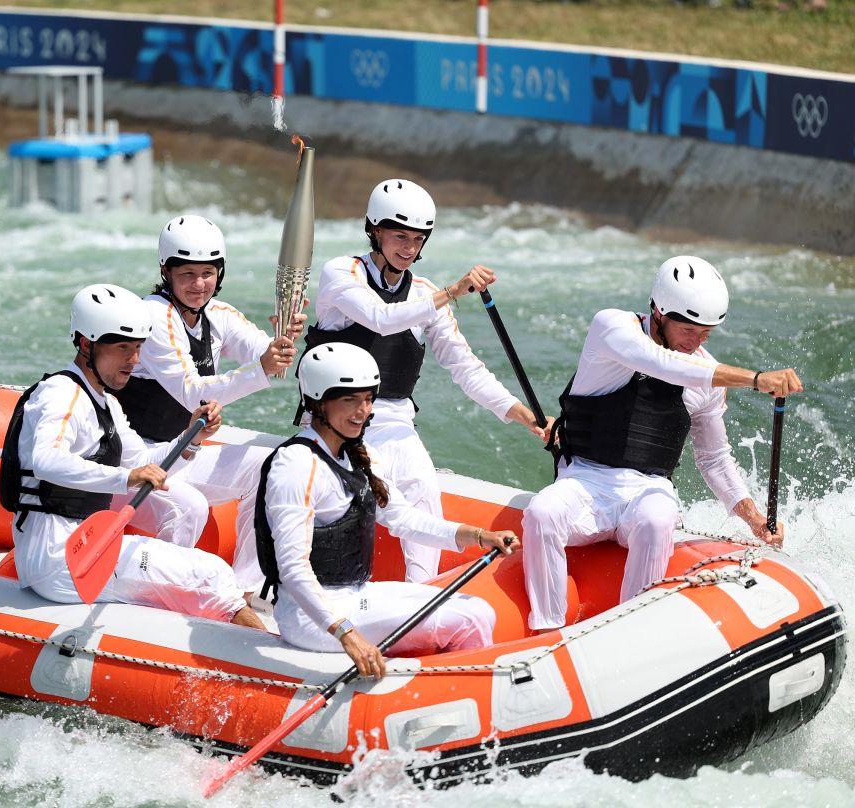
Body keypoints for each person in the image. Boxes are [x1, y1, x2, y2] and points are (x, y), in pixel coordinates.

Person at [523, 256, 805, 632]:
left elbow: (715, 459)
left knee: (657, 519)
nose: (697, 342)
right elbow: (663, 363)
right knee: (542, 512)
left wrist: (755, 519)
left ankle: (632, 632)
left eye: (706, 333)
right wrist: (755, 378)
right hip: (584, 481)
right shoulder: (611, 328)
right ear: (657, 311)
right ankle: (546, 629)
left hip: (649, 488)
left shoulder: (706, 373)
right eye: (689, 330)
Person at [304, 178, 546, 584]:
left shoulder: (424, 292)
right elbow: (380, 317)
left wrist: (528, 418)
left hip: (397, 425)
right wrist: (452, 291)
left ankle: (420, 597)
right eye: (399, 236)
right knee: (390, 502)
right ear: (375, 230)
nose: (409, 249)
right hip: (336, 426)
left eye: (418, 240)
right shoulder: (342, 274)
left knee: (424, 492)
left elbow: (466, 369)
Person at [0, 282, 264, 628]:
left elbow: (145, 462)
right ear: (85, 344)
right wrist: (123, 478)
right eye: (124, 348)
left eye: (138, 348)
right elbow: (46, 461)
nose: (134, 360)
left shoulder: (106, 402)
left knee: (203, 561)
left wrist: (191, 438)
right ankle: (275, 665)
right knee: (210, 573)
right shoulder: (60, 394)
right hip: (58, 559)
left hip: (85, 548)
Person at [256, 342, 518, 678]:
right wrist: (348, 635)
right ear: (318, 403)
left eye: (367, 398)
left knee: (479, 609)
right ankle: (472, 700)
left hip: (355, 594)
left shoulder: (356, 452)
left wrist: (480, 536)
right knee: (468, 619)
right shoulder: (295, 464)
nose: (362, 410)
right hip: (309, 616)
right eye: (349, 399)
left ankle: (448, 692)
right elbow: (292, 568)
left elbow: (402, 517)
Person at [114, 215, 305, 589]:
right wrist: (263, 367)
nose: (198, 285)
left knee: (270, 468)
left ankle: (245, 588)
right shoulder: (154, 315)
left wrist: (282, 338)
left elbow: (267, 357)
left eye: (207, 273)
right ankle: (156, 592)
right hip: (135, 460)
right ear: (165, 272)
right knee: (190, 509)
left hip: (182, 454)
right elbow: (192, 392)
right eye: (187, 274)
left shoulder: (218, 315)